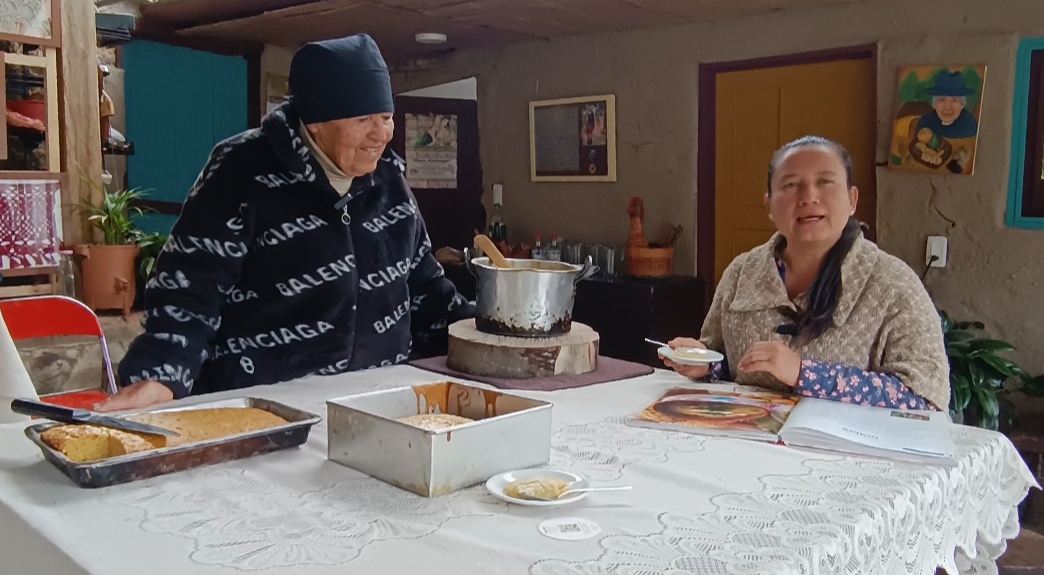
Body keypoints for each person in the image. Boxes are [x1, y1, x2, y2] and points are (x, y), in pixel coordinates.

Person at [97, 34, 474, 412]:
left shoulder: (388, 183)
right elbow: (191, 287)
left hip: (375, 401)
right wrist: (162, 373)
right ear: (315, 122)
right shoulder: (243, 170)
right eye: (364, 119)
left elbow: (426, 290)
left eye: (386, 117)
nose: (382, 134)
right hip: (264, 406)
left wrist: (493, 334)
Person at [663, 136, 949, 411]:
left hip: (839, 456)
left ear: (852, 199)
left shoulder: (895, 285)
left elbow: (925, 398)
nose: (809, 196)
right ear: (769, 206)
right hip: (748, 448)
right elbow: (727, 362)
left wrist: (805, 373)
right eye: (790, 185)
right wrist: (705, 363)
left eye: (825, 182)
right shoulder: (741, 273)